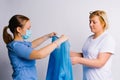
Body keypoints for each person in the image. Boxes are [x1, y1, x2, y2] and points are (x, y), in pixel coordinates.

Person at [2, 14, 68, 80]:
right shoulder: (16, 46)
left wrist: (47, 36)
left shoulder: (22, 44)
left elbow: (32, 44)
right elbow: (39, 54)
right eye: (28, 28)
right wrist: (59, 41)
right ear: (19, 29)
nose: (30, 31)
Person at [70, 10, 115, 80]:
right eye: (90, 21)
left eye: (94, 22)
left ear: (103, 23)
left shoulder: (107, 39)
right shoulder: (89, 38)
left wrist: (78, 60)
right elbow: (86, 55)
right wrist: (66, 52)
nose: (91, 24)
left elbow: (100, 62)